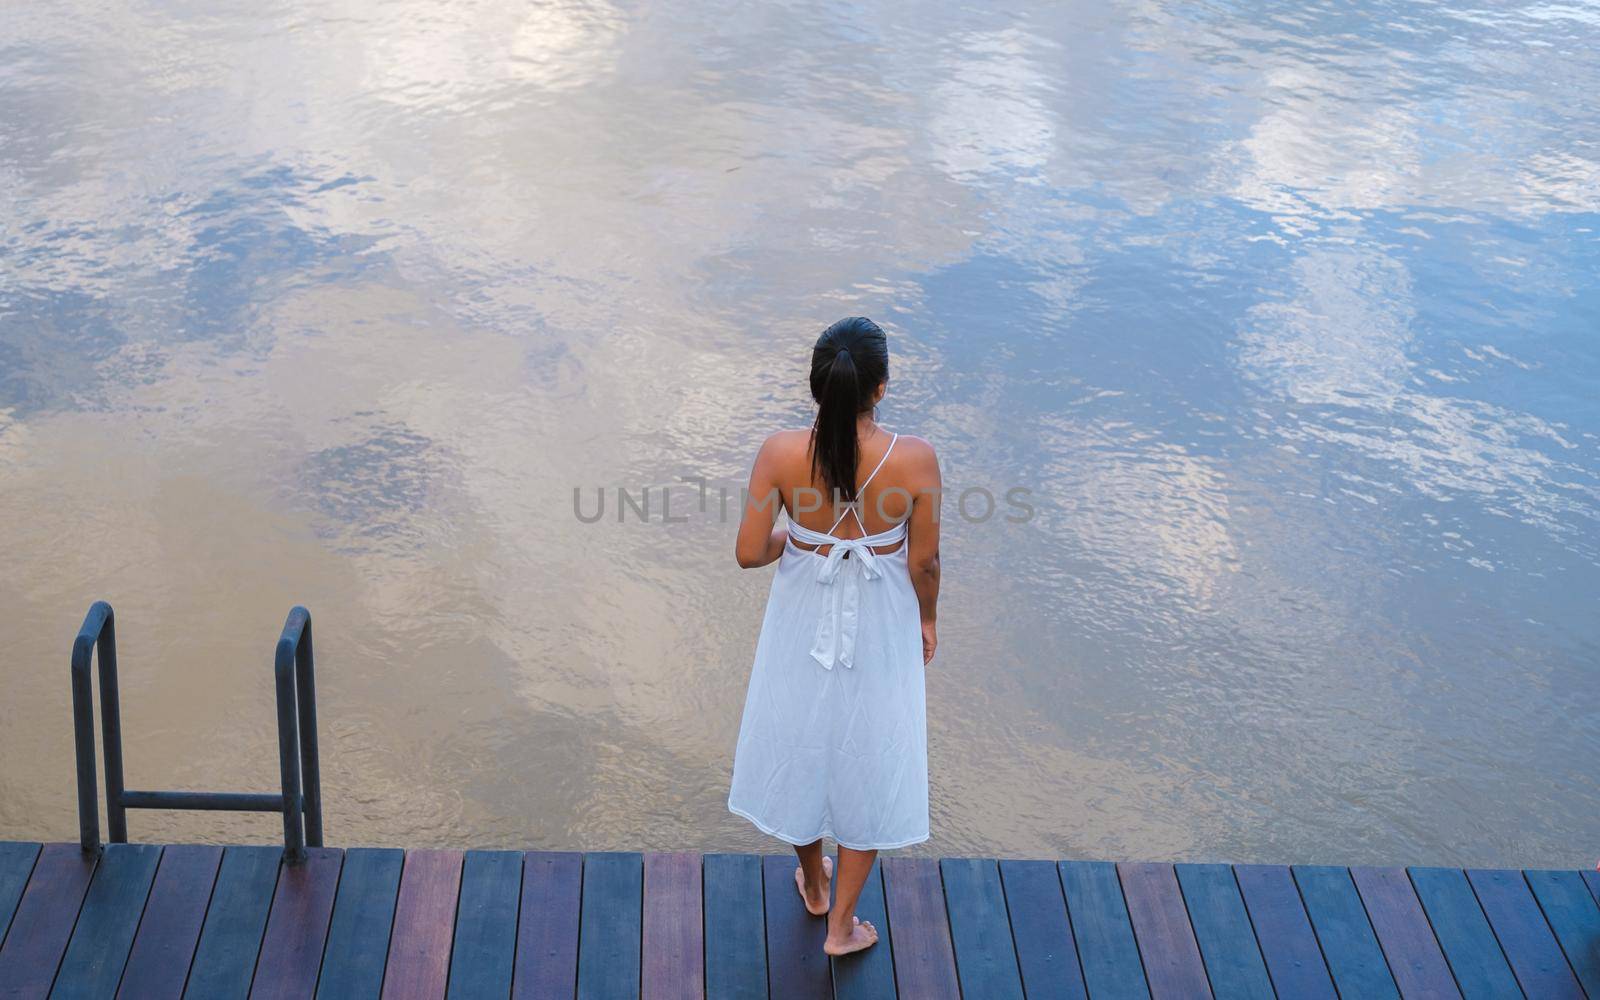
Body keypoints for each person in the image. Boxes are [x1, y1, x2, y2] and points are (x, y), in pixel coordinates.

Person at [727, 316, 942, 956]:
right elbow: (923, 564)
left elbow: (747, 552)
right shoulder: (914, 458)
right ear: (880, 387)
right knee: (870, 755)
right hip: (881, 624)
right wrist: (927, 620)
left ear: (816, 384)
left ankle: (814, 887)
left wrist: (800, 539)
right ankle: (841, 926)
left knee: (801, 739)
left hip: (802, 617)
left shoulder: (778, 452)